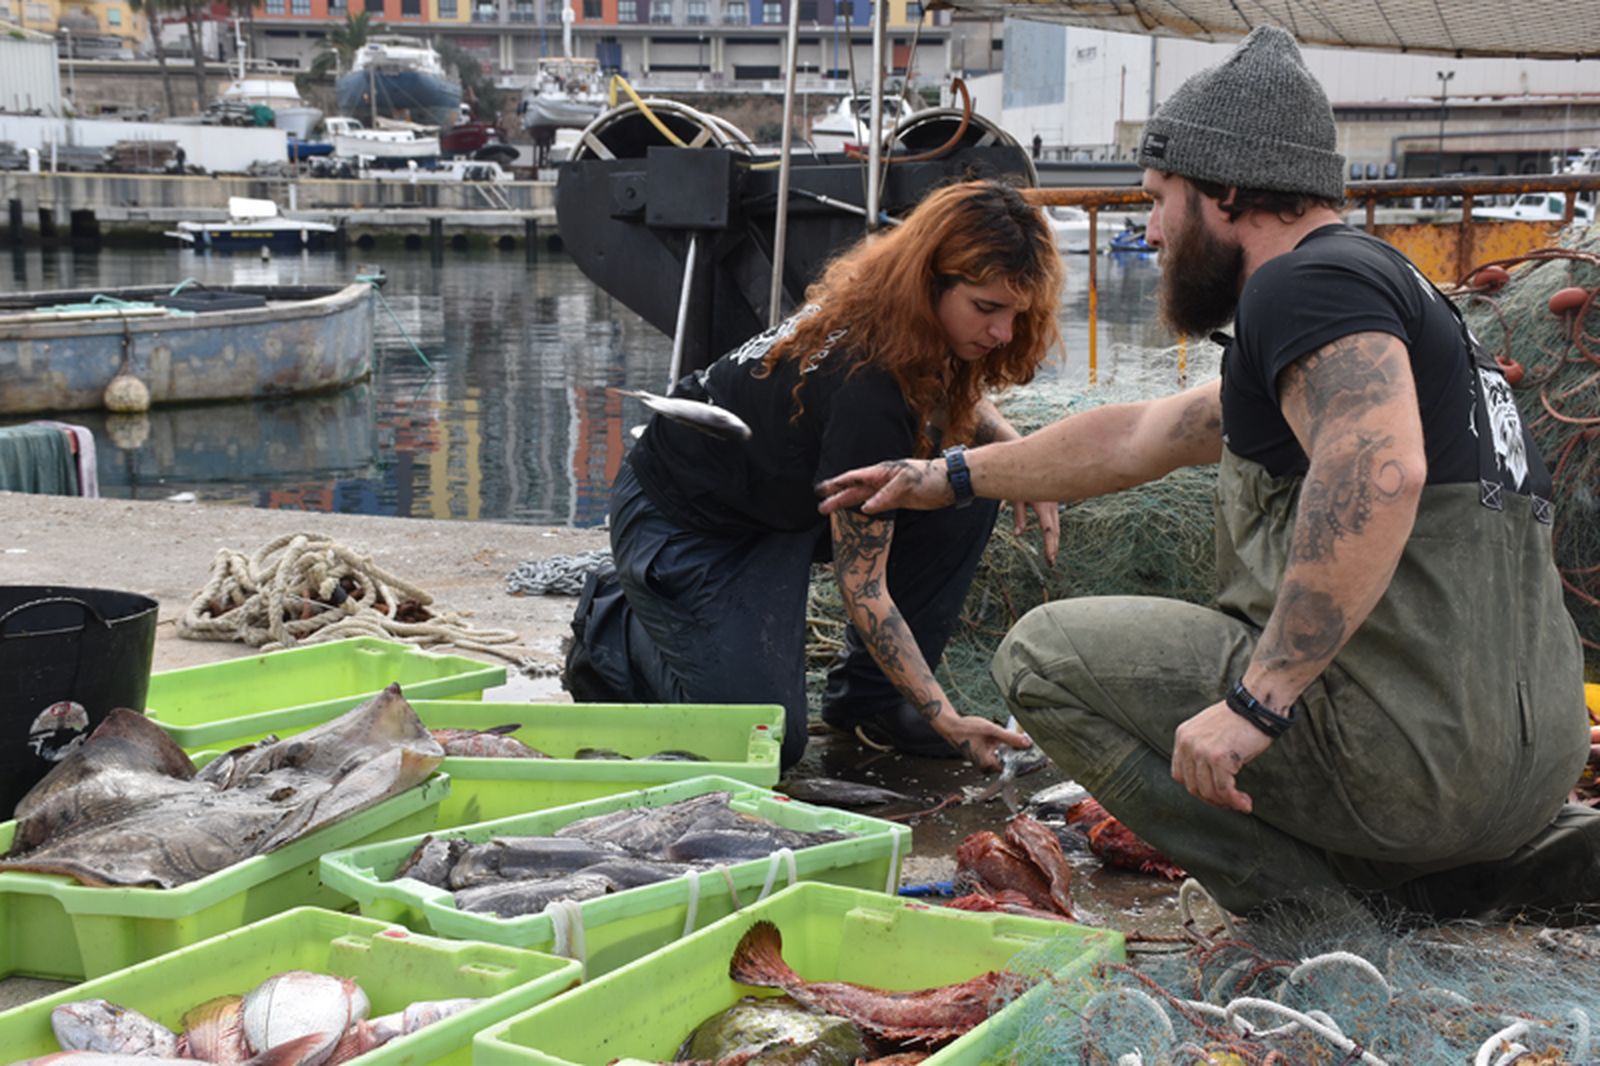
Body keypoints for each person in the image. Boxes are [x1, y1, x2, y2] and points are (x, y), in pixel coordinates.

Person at [818, 27, 1596, 924]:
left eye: (1160, 199)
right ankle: (1454, 879)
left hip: (1414, 765)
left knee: (1043, 658)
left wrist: (1258, 704)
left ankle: (1309, 911)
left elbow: (1378, 471)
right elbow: (1149, 433)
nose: (1151, 230)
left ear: (1225, 191)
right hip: (1530, 773)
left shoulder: (1302, 286)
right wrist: (951, 476)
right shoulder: (1389, 295)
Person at [565, 179, 1064, 772]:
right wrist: (945, 717)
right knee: (769, 740)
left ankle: (875, 703)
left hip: (782, 499)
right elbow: (863, 586)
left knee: (973, 480)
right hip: (684, 525)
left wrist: (1014, 456)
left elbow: (950, 394)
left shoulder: (899, 320)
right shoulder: (867, 389)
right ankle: (614, 628)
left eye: (1015, 314)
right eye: (986, 309)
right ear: (928, 282)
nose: (1003, 333)